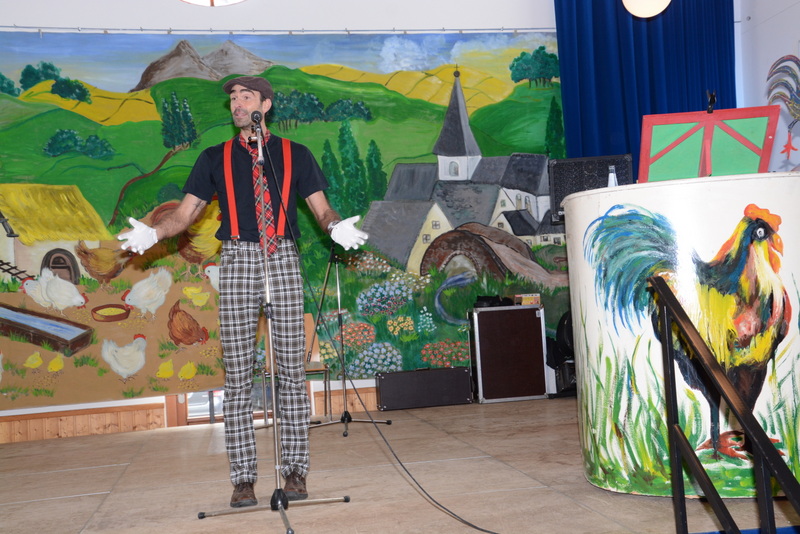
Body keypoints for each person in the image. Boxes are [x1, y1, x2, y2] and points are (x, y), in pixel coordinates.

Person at [118, 75, 368, 508]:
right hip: (237, 258)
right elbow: (185, 214)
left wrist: (335, 227)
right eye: (233, 97)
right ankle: (243, 479)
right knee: (237, 377)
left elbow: (322, 209)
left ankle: (295, 472)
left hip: (283, 256)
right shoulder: (214, 157)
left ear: (265, 105)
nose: (236, 103)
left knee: (291, 373)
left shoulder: (296, 154)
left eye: (245, 96)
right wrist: (153, 232)